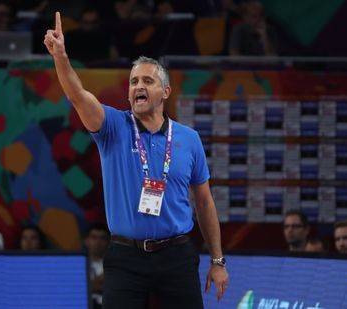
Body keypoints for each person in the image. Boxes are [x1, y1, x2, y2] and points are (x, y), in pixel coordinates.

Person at [43, 12, 228, 308]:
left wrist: (217, 260)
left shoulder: (188, 138)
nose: (138, 86)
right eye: (133, 81)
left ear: (165, 91)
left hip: (176, 255)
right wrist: (61, 57)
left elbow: (204, 203)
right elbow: (78, 95)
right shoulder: (112, 127)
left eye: (147, 81)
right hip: (126, 257)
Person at [84, 223, 110, 309]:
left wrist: (90, 286)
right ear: (86, 241)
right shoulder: (78, 265)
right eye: (94, 237)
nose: (98, 242)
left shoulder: (114, 266)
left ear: (108, 242)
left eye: (102, 238)